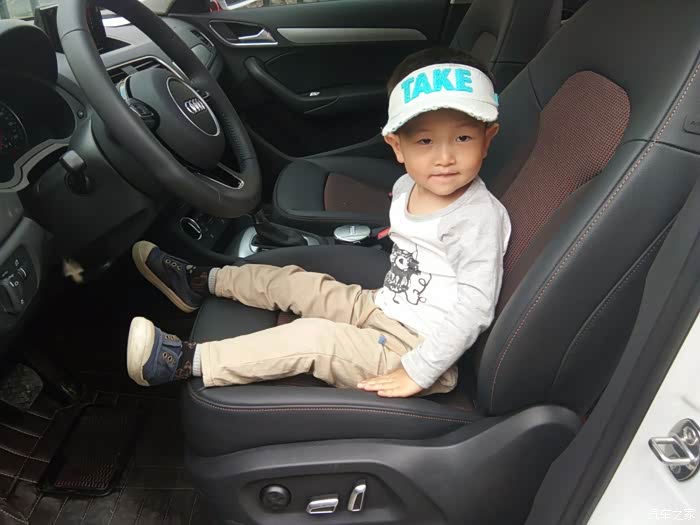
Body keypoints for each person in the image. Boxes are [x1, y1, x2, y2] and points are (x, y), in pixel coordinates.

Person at [126, 47, 511, 398]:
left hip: (417, 349)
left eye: (463, 138)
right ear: (397, 146)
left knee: (313, 338)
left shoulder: (476, 219)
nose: (445, 157)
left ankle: (183, 361)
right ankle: (201, 282)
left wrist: (419, 371)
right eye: (425, 142)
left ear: (488, 138)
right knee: (296, 282)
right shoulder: (408, 185)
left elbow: (475, 307)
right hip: (384, 306)